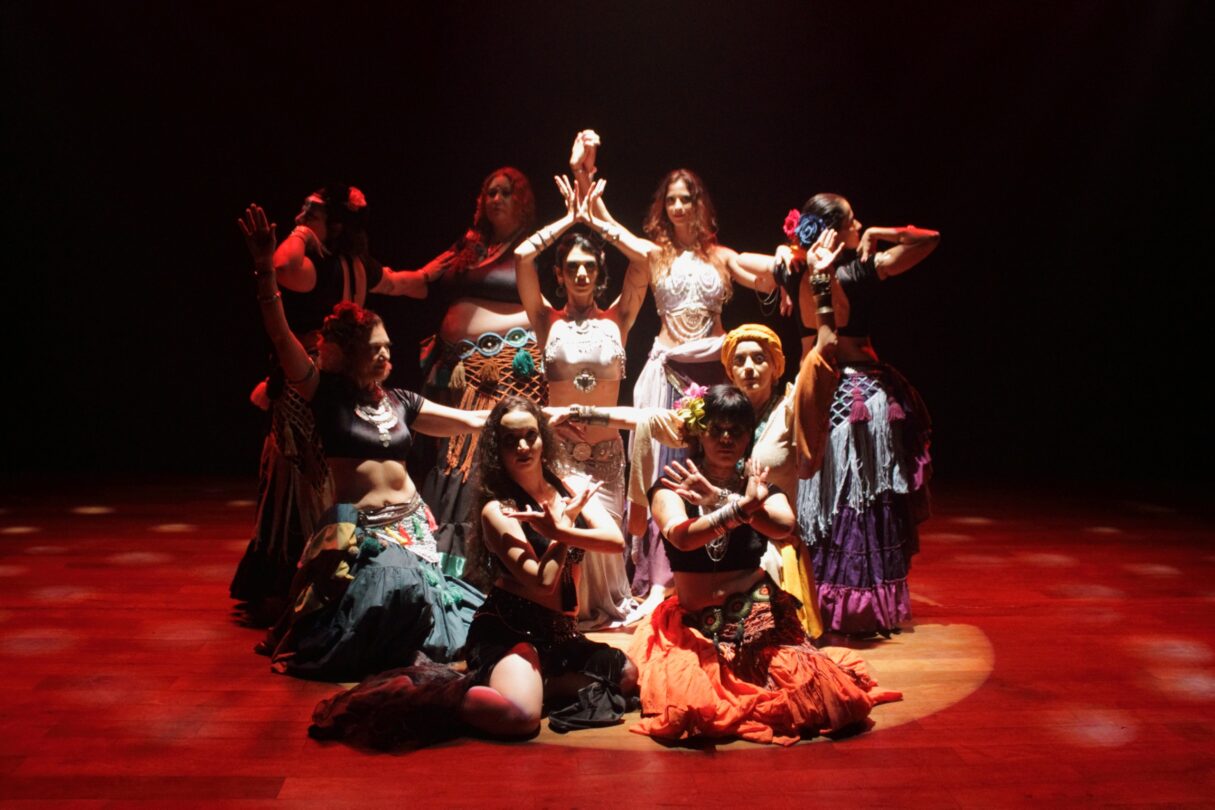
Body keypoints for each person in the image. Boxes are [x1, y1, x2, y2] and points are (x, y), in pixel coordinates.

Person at [238, 204, 486, 681]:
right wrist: (266, 269)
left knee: (450, 607)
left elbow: (470, 421)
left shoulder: (401, 400)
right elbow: (280, 334)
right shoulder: (325, 395)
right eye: (374, 349)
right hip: (365, 536)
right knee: (394, 599)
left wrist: (529, 417)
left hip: (414, 527)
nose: (386, 356)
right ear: (349, 353)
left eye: (388, 347)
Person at [308, 397, 638, 747]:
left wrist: (560, 528)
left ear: (543, 437)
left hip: (561, 634)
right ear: (497, 448)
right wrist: (562, 530)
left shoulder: (566, 486)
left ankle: (541, 683)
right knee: (519, 718)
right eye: (511, 440)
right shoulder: (498, 510)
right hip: (512, 631)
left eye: (530, 435)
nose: (523, 446)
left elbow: (615, 541)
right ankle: (448, 697)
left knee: (626, 675)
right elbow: (542, 582)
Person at [630, 385, 900, 745]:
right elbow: (683, 537)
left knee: (822, 696)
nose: (726, 438)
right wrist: (739, 508)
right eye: (716, 429)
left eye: (736, 430)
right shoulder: (672, 486)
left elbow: (784, 526)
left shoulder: (759, 489)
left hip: (757, 615)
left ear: (748, 437)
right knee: (691, 703)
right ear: (699, 433)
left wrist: (723, 499)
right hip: (695, 625)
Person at [231, 185, 441, 618]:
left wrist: (302, 234)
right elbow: (411, 284)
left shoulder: (318, 267)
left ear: (333, 223)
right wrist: (443, 265)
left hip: (309, 381)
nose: (301, 216)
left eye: (312, 211)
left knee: (298, 481)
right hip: (343, 384)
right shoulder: (360, 268)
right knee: (321, 481)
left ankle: (299, 583)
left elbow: (282, 266)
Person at [788, 194, 939, 638]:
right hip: (858, 393)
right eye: (854, 221)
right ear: (836, 231)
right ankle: (854, 603)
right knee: (860, 496)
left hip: (816, 390)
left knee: (828, 495)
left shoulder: (796, 273)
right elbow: (929, 239)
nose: (860, 226)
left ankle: (824, 601)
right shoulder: (860, 270)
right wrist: (880, 234)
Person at [513, 170, 650, 628]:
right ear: (559, 274)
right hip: (562, 455)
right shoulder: (546, 320)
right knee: (576, 539)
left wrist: (598, 221)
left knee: (604, 550)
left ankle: (598, 609)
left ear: (599, 272)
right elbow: (521, 256)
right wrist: (569, 219)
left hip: (608, 455)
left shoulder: (618, 319)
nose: (581, 272)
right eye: (571, 266)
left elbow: (645, 258)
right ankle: (568, 610)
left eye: (589, 265)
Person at [405, 168, 547, 580]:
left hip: (505, 369)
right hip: (458, 369)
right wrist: (372, 276)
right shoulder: (469, 246)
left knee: (487, 456)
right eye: (490, 192)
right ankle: (451, 564)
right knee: (454, 458)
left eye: (505, 192)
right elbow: (421, 279)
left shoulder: (532, 245)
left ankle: (498, 565)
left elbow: (547, 306)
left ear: (522, 201)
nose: (496, 199)